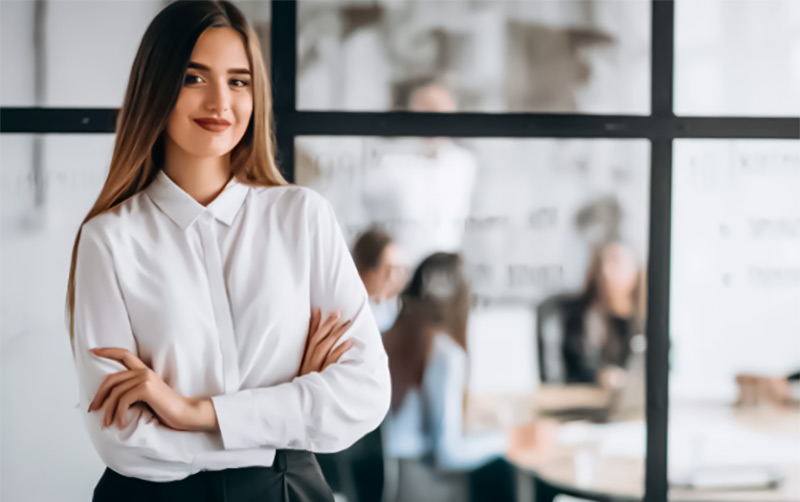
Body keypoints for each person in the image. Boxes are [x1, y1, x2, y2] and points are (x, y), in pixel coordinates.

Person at [64, 2, 390, 500]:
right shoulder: (109, 240)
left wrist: (192, 412)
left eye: (239, 81)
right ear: (157, 88)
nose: (220, 101)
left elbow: (364, 395)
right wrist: (287, 415)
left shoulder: (303, 217)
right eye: (194, 78)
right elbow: (124, 441)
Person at [381, 252, 540, 502]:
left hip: (386, 480)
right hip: (421, 485)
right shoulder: (445, 354)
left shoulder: (389, 336)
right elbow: (449, 453)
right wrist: (508, 440)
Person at [560, 241, 646, 388]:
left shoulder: (643, 320)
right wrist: (599, 377)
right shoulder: (583, 316)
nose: (607, 270)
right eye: (603, 263)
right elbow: (573, 369)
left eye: (616, 262)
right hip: (589, 397)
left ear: (635, 270)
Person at [351, 228, 407, 332]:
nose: (391, 278)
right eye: (387, 270)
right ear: (366, 273)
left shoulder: (386, 311)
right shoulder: (350, 317)